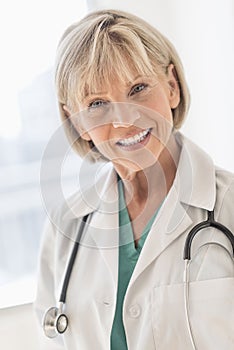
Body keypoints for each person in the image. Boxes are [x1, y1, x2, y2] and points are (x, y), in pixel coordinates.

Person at [34, 9, 234, 350]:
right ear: (76, 121)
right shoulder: (67, 225)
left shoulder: (227, 206)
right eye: (97, 103)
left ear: (171, 87)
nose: (125, 119)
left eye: (138, 88)